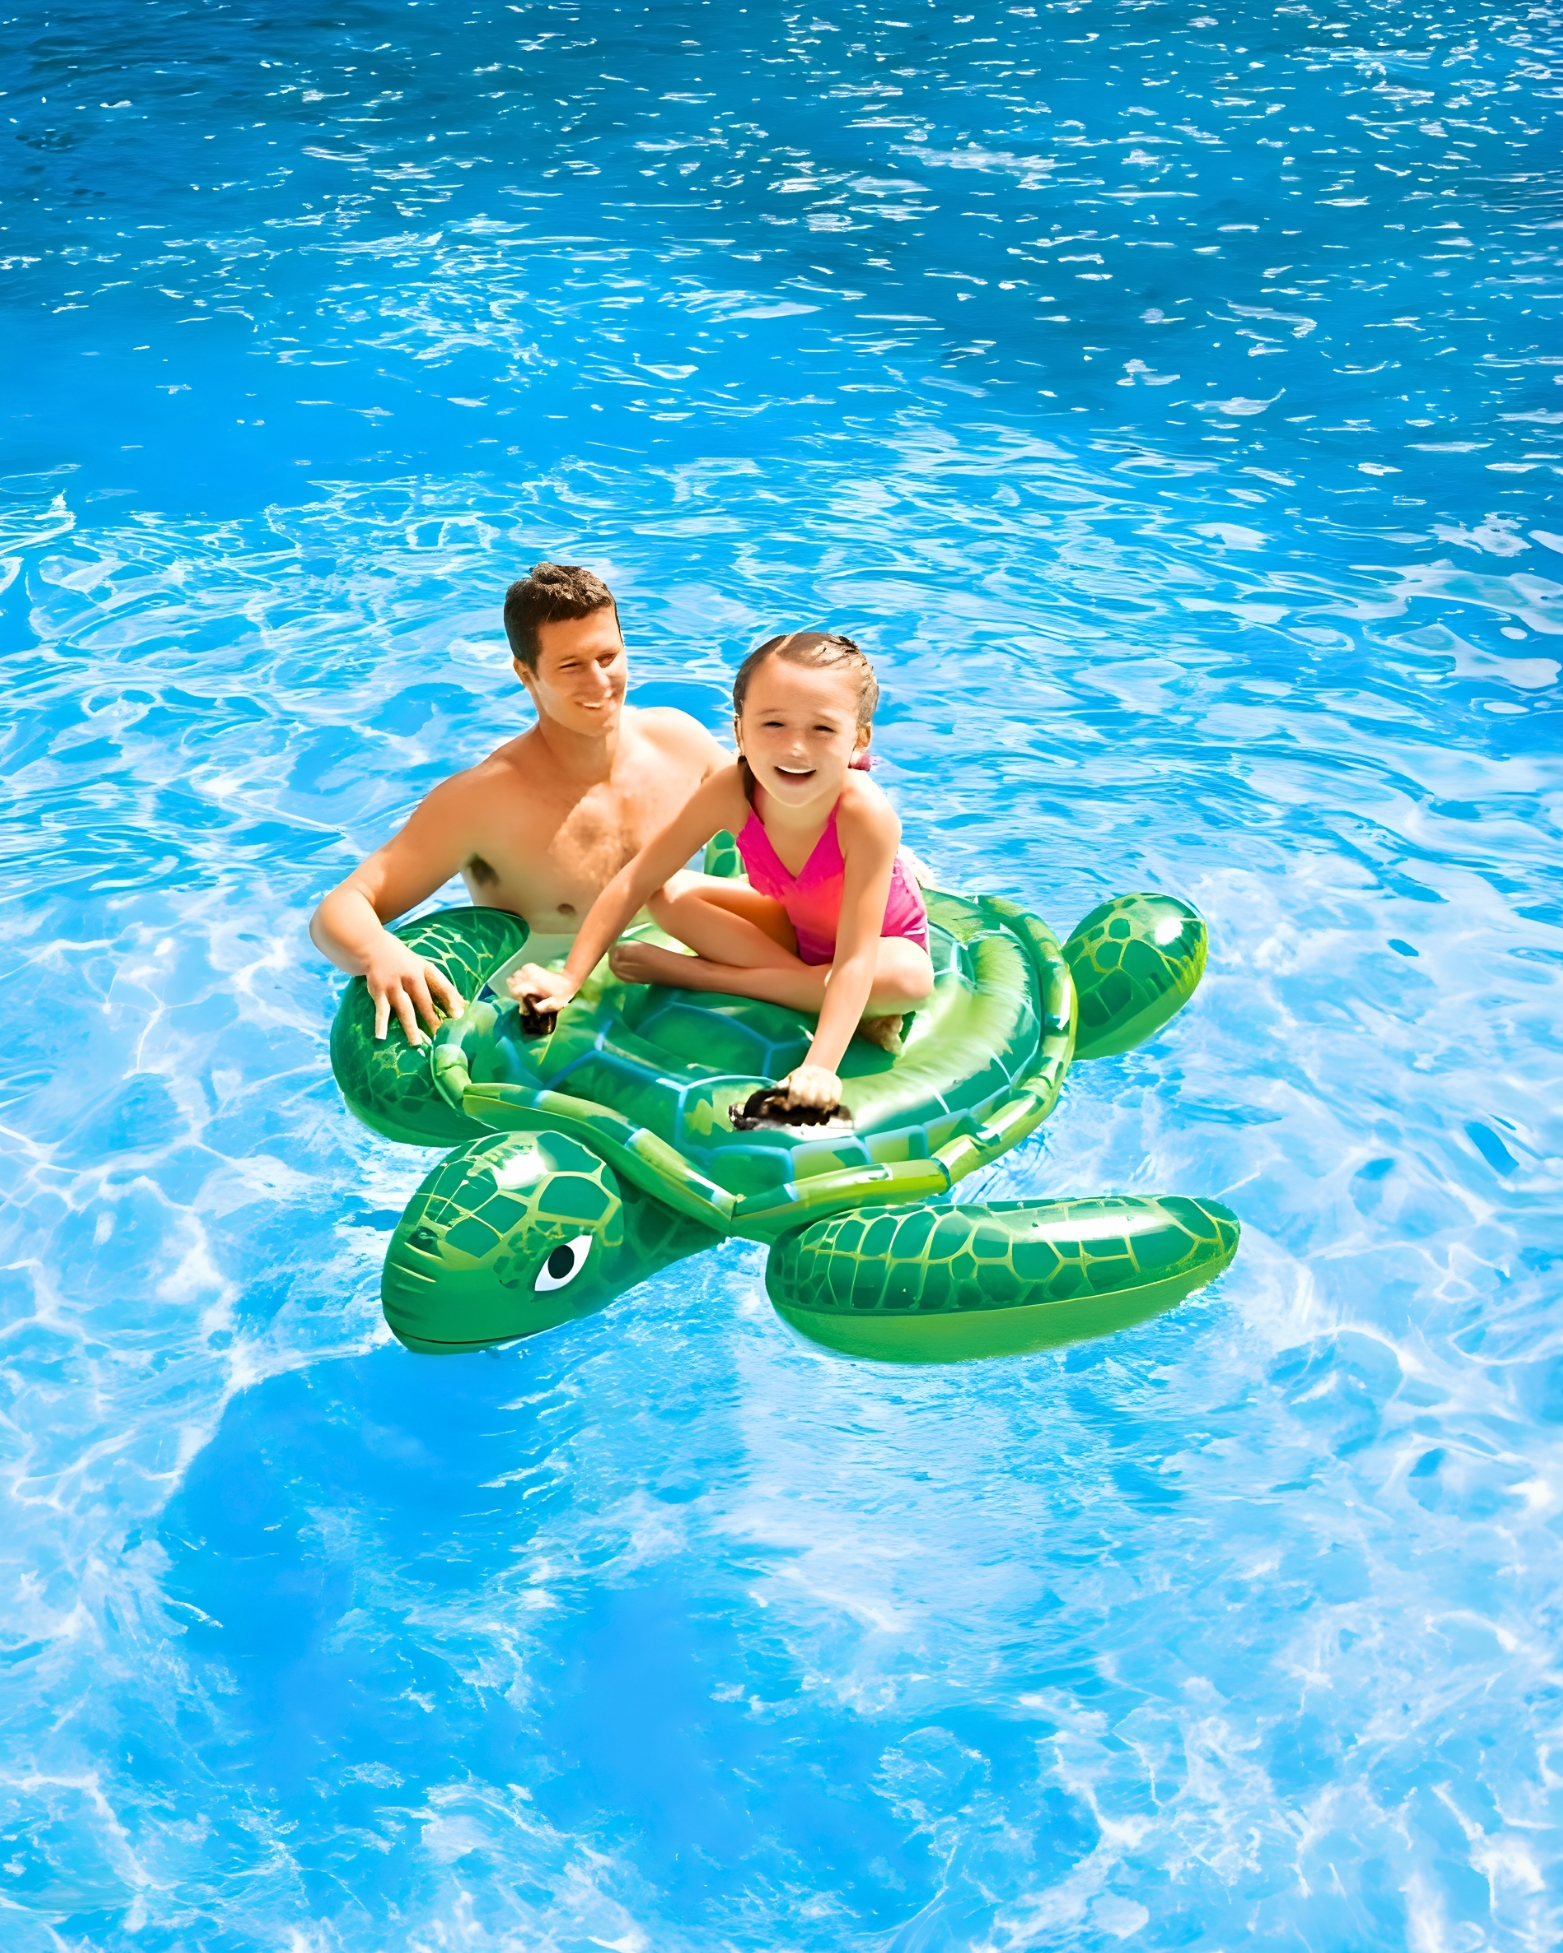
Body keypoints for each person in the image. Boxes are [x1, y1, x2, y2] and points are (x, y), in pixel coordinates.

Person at [511, 631, 934, 1115]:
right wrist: (568, 979)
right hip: (795, 931)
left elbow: (856, 959)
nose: (795, 748)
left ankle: (706, 975)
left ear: (858, 739)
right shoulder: (734, 790)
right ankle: (802, 985)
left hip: (878, 946)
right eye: (773, 724)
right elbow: (638, 878)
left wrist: (819, 1067)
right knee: (668, 893)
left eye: (822, 729)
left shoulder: (865, 816)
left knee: (909, 980)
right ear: (739, 731)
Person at [309, 562, 727, 1045]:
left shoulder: (681, 743)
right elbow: (341, 908)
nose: (599, 683)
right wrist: (377, 952)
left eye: (608, 656)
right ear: (526, 674)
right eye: (571, 666)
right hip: (554, 1037)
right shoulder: (482, 802)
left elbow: (774, 810)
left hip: (688, 1000)